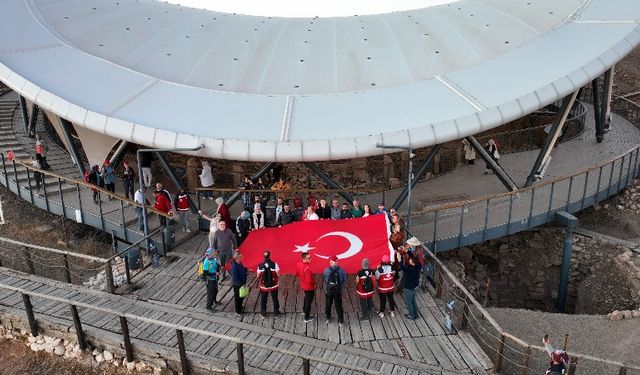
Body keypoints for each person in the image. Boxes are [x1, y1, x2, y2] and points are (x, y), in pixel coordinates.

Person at [323, 256, 346, 325]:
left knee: (328, 304)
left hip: (328, 291)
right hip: (338, 291)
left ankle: (328, 318)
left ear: (330, 262)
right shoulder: (342, 270)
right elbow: (344, 280)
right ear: (337, 262)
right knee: (338, 306)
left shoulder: (326, 270)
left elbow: (325, 279)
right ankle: (341, 321)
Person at [257, 251, 281, 318]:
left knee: (263, 299)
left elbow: (258, 276)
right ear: (270, 256)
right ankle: (276, 313)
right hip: (273, 285)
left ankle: (263, 313)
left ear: (263, 256)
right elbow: (278, 275)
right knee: (275, 298)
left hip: (264, 286)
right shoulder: (275, 264)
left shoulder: (260, 265)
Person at [295, 252, 316, 323]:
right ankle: (306, 317)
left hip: (303, 285)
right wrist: (314, 283)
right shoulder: (307, 268)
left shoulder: (298, 264)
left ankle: (304, 311)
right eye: (309, 258)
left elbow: (297, 274)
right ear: (304, 259)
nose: (311, 259)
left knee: (306, 298)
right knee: (309, 301)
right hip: (309, 287)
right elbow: (310, 280)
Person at [400, 254, 421, 320]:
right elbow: (413, 257)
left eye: (410, 260)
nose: (409, 261)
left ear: (413, 262)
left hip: (409, 288)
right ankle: (416, 314)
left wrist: (399, 259)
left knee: (409, 303)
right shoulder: (418, 266)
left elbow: (402, 267)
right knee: (413, 301)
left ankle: (411, 315)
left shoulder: (410, 269)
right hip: (415, 286)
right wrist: (407, 251)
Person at [230, 252, 248, 316]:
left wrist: (246, 269)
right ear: (237, 258)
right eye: (241, 256)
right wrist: (241, 284)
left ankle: (240, 307)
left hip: (242, 283)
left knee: (241, 296)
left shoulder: (239, 263)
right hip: (238, 285)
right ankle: (237, 311)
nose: (242, 257)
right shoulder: (234, 267)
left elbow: (242, 268)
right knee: (238, 298)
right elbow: (235, 278)